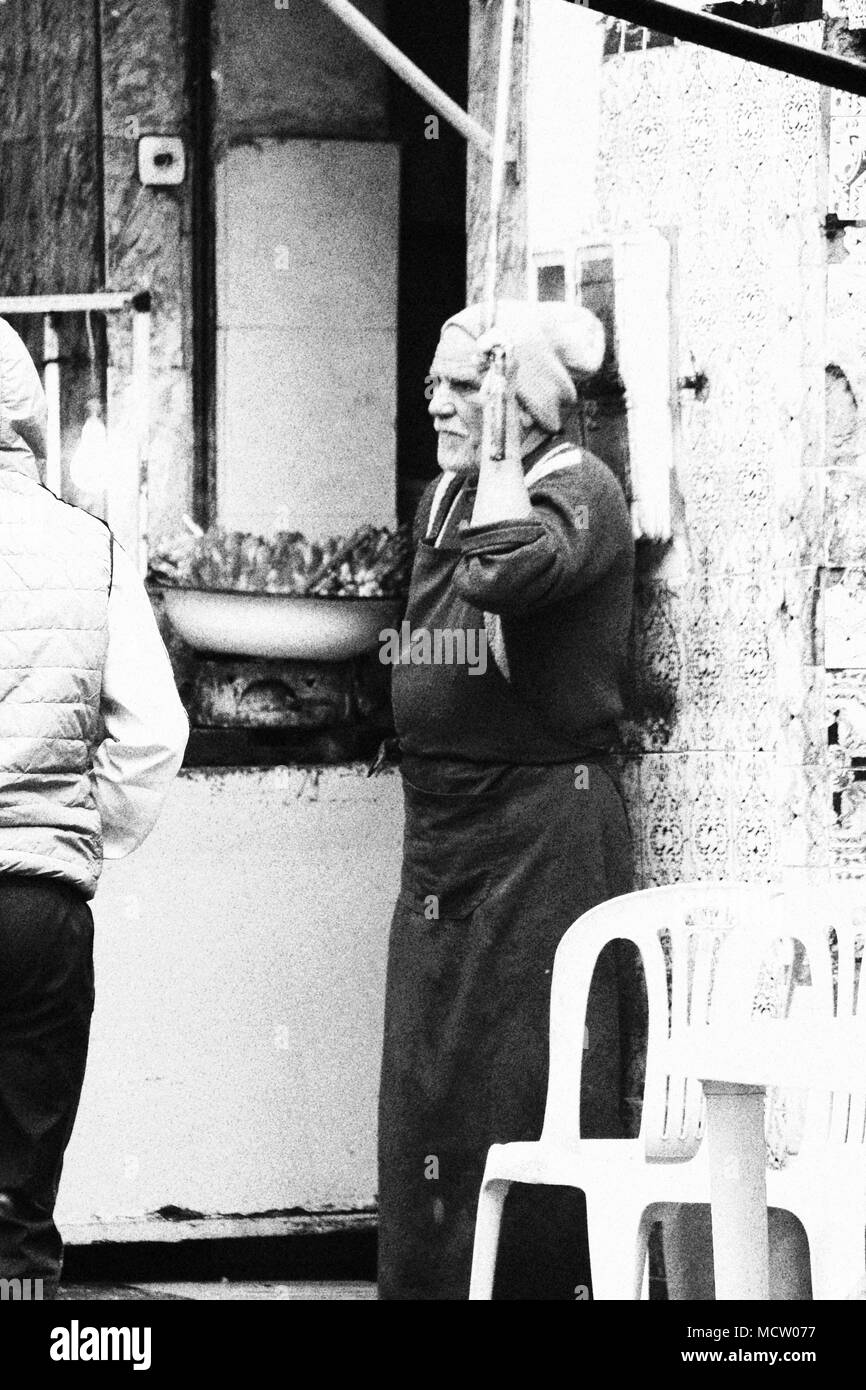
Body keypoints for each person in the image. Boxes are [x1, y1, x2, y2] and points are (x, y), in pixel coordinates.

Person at [377, 299, 636, 1300]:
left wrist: (493, 454)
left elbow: (499, 575)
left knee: (524, 1084)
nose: (433, 402)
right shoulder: (445, 499)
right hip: (442, 834)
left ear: (516, 407)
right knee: (427, 1088)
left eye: (459, 386)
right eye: (433, 384)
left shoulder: (578, 490)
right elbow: (429, 630)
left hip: (540, 833)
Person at [0, 320, 189, 1298]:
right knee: (18, 1203)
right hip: (41, 907)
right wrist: (81, 837)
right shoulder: (88, 546)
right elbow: (154, 730)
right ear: (27, 418)